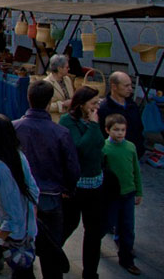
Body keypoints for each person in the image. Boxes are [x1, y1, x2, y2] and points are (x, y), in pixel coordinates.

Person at [13, 80, 80, 279]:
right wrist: (68, 189)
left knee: (22, 255)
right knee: (51, 258)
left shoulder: (14, 128)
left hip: (22, 200)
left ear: (28, 98)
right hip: (50, 198)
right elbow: (73, 168)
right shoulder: (60, 132)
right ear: (50, 102)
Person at [0, 114, 40, 279]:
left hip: (11, 237)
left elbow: (13, 217)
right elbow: (34, 192)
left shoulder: (1, 170)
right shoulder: (18, 155)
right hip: (24, 232)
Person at [60, 86, 105, 279]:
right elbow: (80, 148)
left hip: (95, 184)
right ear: (81, 105)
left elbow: (99, 144)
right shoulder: (67, 121)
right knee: (69, 224)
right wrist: (94, 126)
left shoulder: (93, 119)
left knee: (94, 231)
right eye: (93, 103)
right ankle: (51, 253)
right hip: (76, 187)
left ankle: (90, 272)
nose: (97, 107)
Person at [103, 114, 143, 276]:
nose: (120, 133)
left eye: (123, 130)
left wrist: (138, 191)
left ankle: (127, 259)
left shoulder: (130, 147)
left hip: (128, 193)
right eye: (116, 130)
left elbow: (136, 170)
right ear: (107, 130)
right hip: (111, 196)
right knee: (106, 224)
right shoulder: (104, 148)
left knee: (127, 227)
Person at [98, 72, 145, 159]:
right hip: (115, 157)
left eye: (130, 85)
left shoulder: (132, 105)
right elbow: (101, 136)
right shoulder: (104, 109)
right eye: (126, 86)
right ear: (114, 86)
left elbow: (139, 128)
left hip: (135, 154)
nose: (130, 89)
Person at [44, 54, 74, 123]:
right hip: (55, 120)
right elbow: (44, 106)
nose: (69, 69)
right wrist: (62, 104)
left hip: (69, 118)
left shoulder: (67, 79)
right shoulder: (47, 83)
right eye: (67, 67)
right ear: (59, 69)